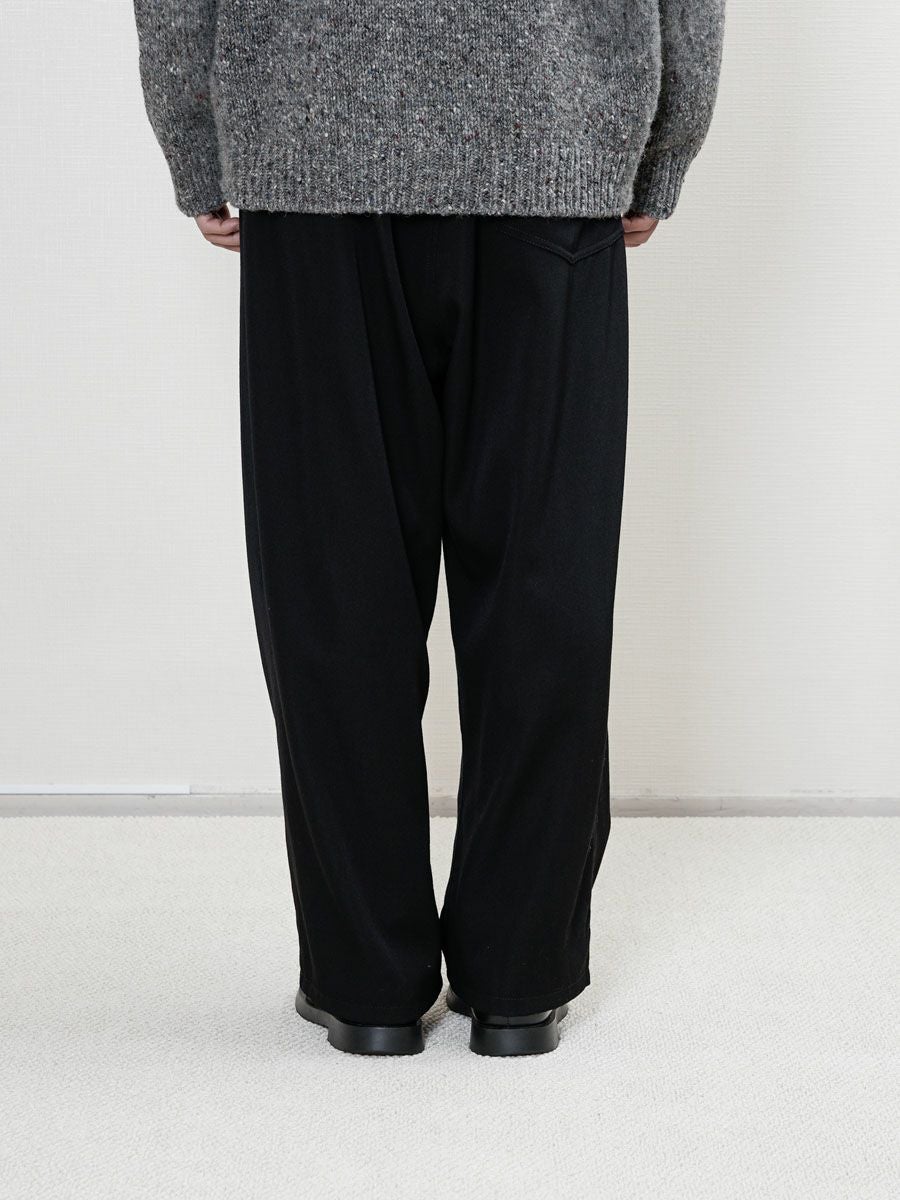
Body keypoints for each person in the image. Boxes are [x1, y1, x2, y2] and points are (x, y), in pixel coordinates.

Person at [133, 1, 725, 1057]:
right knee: (544, 576)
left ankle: (368, 984)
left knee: (335, 582)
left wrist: (198, 133)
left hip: (311, 126)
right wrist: (662, 137)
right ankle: (519, 982)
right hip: (552, 124)